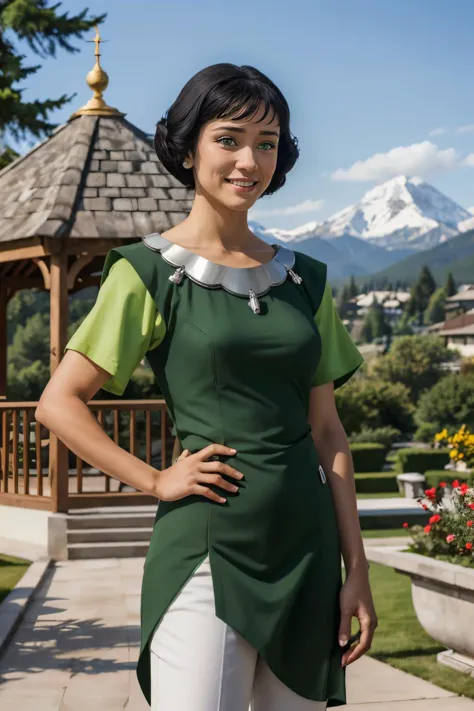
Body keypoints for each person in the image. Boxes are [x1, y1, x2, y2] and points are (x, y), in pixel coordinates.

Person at [35, 62, 378, 711]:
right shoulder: (147, 273)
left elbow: (328, 431)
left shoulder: (307, 281)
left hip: (308, 553)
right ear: (189, 147)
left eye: (268, 142)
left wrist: (355, 566)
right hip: (205, 552)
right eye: (229, 138)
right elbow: (60, 401)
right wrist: (155, 479)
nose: (250, 159)